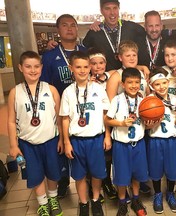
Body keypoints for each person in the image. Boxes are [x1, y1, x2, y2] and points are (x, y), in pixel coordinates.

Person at [7, 51, 63, 216]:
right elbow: (11, 121)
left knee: (53, 173)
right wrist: (13, 145)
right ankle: (43, 203)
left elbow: (59, 118)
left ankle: (53, 199)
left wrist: (61, 139)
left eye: (36, 66)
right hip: (27, 143)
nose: (33, 70)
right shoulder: (15, 92)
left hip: (51, 140)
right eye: (28, 66)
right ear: (20, 68)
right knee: (35, 175)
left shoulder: (51, 89)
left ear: (41, 67)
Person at [40, 14, 86, 198]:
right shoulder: (50, 56)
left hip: (83, 109)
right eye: (65, 25)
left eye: (73, 25)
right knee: (61, 146)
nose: (69, 28)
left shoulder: (85, 51)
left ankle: (87, 179)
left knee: (82, 146)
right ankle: (63, 180)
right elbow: (44, 85)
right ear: (58, 30)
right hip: (60, 110)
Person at [60, 51, 111, 216]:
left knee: (97, 173)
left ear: (90, 68)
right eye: (78, 67)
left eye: (85, 67)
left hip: (96, 139)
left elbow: (106, 114)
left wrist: (107, 135)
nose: (82, 70)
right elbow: (65, 119)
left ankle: (95, 199)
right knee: (79, 175)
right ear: (71, 68)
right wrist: (67, 142)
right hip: (76, 140)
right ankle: (83, 203)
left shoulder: (98, 89)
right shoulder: (68, 92)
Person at [104, 68, 149, 216]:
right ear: (123, 84)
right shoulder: (117, 99)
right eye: (130, 82)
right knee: (122, 176)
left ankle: (136, 199)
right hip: (121, 145)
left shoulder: (143, 100)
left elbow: (147, 122)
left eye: (137, 82)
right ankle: (122, 202)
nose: (134, 85)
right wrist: (122, 123)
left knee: (137, 174)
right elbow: (107, 119)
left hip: (139, 144)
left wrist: (153, 120)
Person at [146, 67, 176, 213]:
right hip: (156, 140)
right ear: (151, 86)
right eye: (157, 84)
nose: (161, 87)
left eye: (164, 83)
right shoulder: (148, 102)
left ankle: (170, 193)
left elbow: (175, 122)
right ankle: (157, 194)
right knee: (156, 170)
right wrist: (153, 122)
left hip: (172, 140)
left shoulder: (174, 99)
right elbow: (145, 126)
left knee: (172, 169)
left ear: (168, 82)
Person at [87, 48, 118, 201]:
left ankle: (107, 182)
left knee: (108, 155)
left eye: (101, 63)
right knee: (94, 156)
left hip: (110, 121)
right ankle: (91, 184)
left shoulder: (111, 76)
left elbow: (125, 68)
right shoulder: (85, 81)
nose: (98, 66)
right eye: (94, 64)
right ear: (88, 65)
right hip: (92, 124)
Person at [83, 0, 146, 71]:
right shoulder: (94, 32)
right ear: (101, 11)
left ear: (119, 8)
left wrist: (141, 67)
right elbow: (84, 57)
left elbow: (151, 34)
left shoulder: (132, 28)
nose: (112, 13)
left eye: (115, 8)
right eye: (107, 9)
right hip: (105, 79)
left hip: (129, 78)